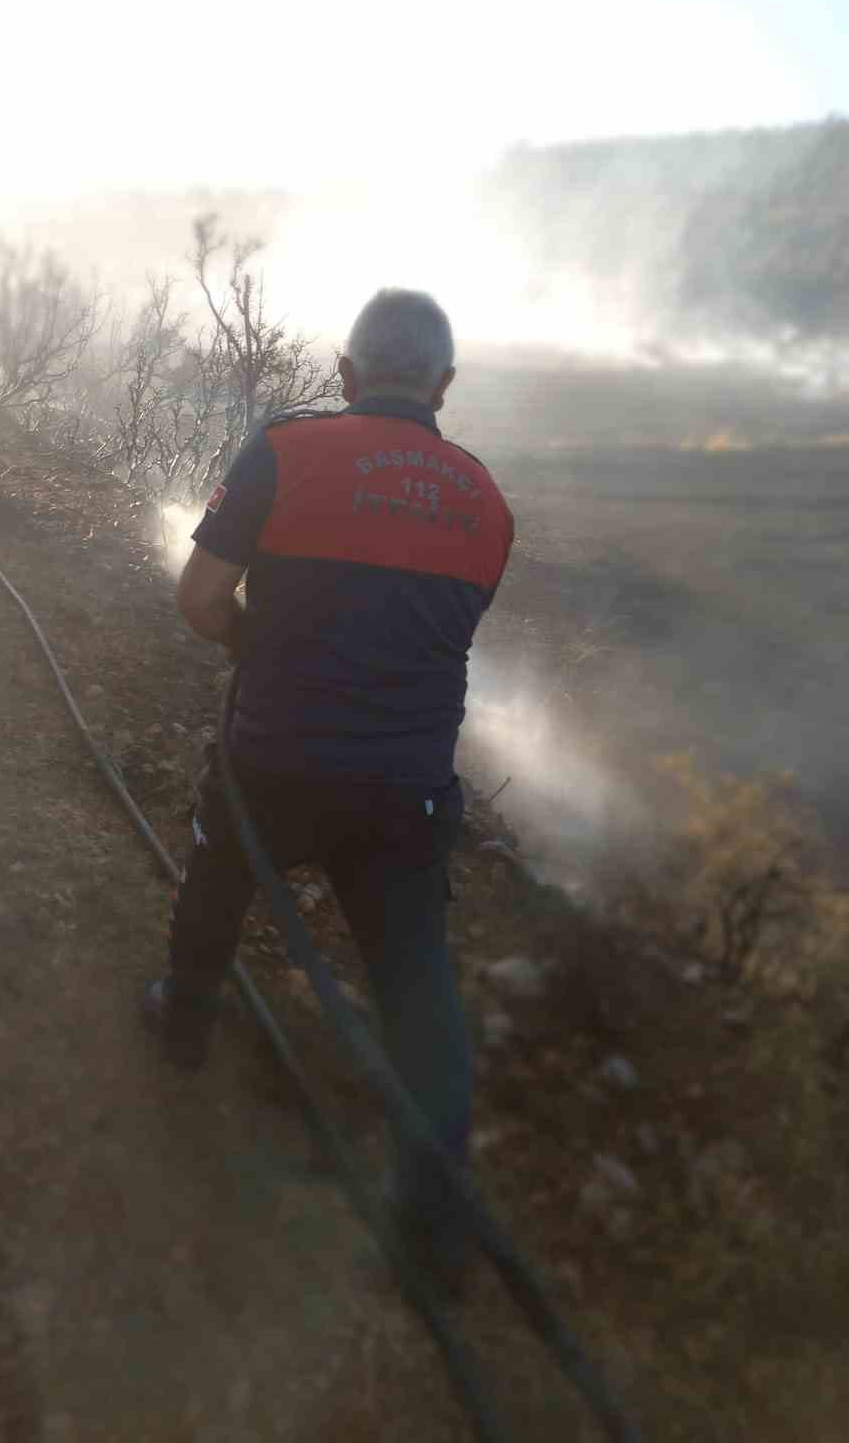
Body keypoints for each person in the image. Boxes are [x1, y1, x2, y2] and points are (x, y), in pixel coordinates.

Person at [145, 287, 514, 1278]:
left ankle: (183, 1021)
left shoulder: (284, 450)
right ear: (443, 385)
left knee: (221, 870)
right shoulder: (487, 503)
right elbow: (434, 635)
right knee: (416, 986)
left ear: (347, 374)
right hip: (407, 793)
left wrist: (250, 644)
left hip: (275, 763)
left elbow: (200, 598)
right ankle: (431, 1230)